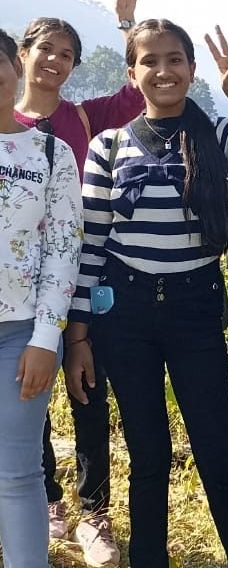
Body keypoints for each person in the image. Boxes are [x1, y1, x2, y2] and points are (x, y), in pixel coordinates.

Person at [64, 21, 228, 568]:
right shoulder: (109, 144)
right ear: (133, 73)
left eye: (175, 60)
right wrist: (79, 337)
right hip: (124, 313)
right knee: (147, 454)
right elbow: (93, 246)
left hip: (195, 309)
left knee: (218, 449)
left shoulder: (217, 134)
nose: (164, 71)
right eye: (150, 61)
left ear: (193, 70)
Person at [15, 0, 146, 566]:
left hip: (84, 275)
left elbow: (143, 90)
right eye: (46, 49)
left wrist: (125, 24)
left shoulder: (87, 119)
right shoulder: (3, 126)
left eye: (67, 55)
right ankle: (45, 505)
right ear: (22, 54)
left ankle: (94, 512)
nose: (57, 61)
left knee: (87, 389)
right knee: (25, 391)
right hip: (18, 285)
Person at [0, 28, 83, 568]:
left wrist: (46, 339)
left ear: (15, 67)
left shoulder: (49, 152)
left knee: (17, 471)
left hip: (20, 336)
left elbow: (62, 251)